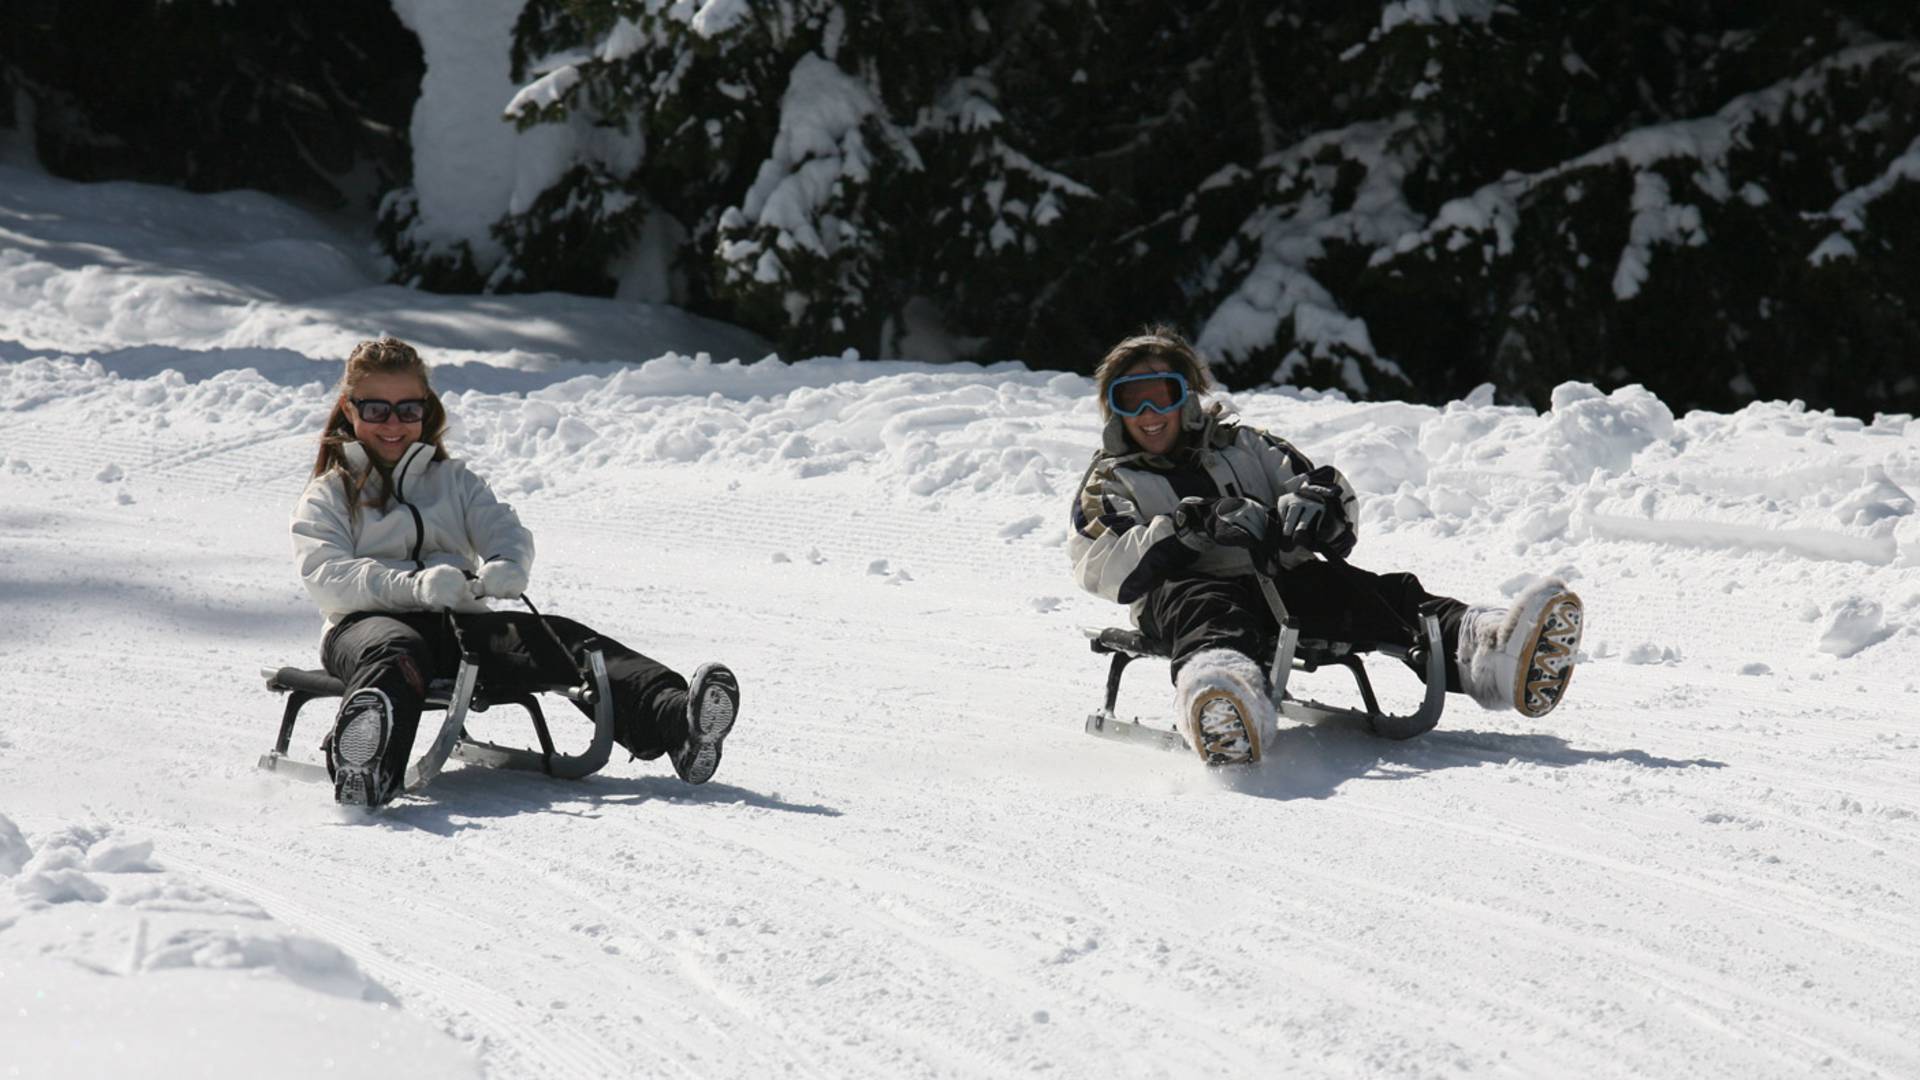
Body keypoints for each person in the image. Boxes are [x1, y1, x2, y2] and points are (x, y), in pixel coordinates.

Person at [1068, 327, 1582, 766]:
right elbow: (1102, 561)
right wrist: (1189, 527)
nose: (1150, 413)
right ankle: (1222, 699)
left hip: (1280, 581)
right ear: (1114, 410)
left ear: (1187, 396)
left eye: (1162, 393)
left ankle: (1495, 653)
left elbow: (1319, 485)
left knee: (1384, 595)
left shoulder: (1244, 444)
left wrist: (1316, 509)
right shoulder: (1112, 478)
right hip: (1184, 596)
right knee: (1208, 607)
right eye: (1131, 399)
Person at [290, 336, 740, 806]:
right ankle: (367, 766)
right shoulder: (330, 493)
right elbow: (327, 576)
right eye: (377, 409)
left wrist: (507, 564)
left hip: (459, 623)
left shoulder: (453, 481)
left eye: (408, 410)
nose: (394, 424)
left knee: (564, 639)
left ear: (427, 409)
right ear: (349, 408)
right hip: (365, 628)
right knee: (398, 650)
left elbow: (503, 528)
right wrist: (414, 587)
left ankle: (677, 723)